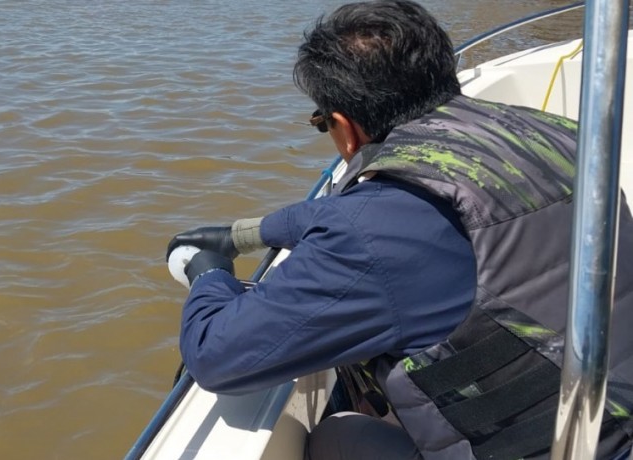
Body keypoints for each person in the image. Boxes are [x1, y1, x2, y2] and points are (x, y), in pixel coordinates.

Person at [165, 1, 633, 459]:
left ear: (345, 128)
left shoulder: (372, 231)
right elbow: (369, 218)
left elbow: (216, 356)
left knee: (337, 435)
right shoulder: (561, 135)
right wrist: (248, 234)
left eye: (320, 121)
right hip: (614, 418)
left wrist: (209, 273)